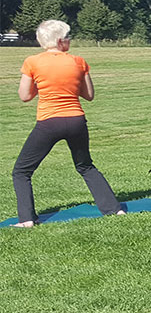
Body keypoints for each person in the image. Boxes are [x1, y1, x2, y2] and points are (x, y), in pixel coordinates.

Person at [11, 20, 120, 227]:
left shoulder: (32, 62)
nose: (70, 40)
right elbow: (89, 95)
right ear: (60, 41)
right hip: (76, 120)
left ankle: (26, 220)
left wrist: (41, 86)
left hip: (49, 122)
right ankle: (115, 210)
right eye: (69, 37)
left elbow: (24, 96)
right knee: (86, 166)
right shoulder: (78, 61)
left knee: (22, 171)